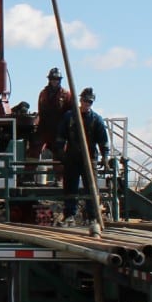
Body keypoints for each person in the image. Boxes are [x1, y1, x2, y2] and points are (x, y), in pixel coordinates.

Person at [55, 87, 109, 224]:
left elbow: (103, 140)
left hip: (89, 158)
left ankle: (92, 216)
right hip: (72, 157)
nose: (87, 104)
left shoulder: (96, 119)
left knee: (91, 188)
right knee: (70, 187)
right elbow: (61, 136)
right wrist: (60, 152)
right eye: (85, 101)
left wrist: (105, 157)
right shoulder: (70, 117)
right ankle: (70, 215)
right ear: (80, 100)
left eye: (90, 102)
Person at [34, 68, 72, 170]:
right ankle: (28, 176)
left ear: (60, 80)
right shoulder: (43, 94)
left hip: (59, 130)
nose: (54, 81)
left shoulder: (66, 95)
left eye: (57, 79)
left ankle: (59, 177)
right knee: (34, 149)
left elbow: (71, 114)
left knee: (59, 155)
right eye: (52, 79)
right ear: (49, 80)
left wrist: (67, 131)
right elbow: (40, 111)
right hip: (44, 128)